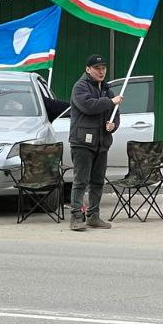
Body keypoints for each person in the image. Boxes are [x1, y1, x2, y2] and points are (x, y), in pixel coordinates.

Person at [68, 54, 122, 231]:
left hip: (102, 143)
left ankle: (93, 216)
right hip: (82, 143)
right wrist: (110, 102)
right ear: (88, 69)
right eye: (97, 68)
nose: (101, 71)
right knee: (80, 182)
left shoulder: (107, 90)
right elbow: (89, 106)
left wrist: (113, 126)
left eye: (103, 68)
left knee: (98, 182)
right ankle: (76, 217)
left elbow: (115, 115)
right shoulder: (80, 87)